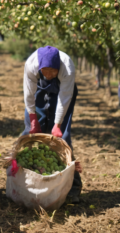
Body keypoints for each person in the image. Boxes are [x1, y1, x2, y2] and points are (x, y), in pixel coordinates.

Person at [21, 46, 82, 203]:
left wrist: (57, 124)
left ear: (58, 68)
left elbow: (64, 98)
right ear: (40, 68)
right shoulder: (31, 65)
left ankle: (72, 186)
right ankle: (26, 181)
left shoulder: (67, 67)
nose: (48, 75)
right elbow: (29, 95)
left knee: (64, 137)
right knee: (31, 132)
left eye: (52, 72)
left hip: (63, 93)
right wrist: (33, 118)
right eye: (45, 71)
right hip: (39, 89)